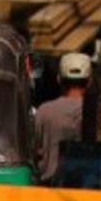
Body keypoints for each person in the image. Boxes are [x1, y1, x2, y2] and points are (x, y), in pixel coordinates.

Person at [34, 52, 91, 185]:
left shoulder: (44, 110)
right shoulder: (97, 113)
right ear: (89, 82)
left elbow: (35, 148)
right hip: (87, 187)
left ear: (59, 79)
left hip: (49, 187)